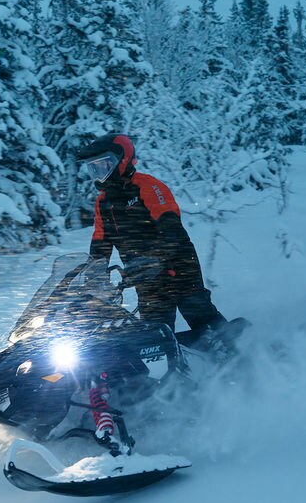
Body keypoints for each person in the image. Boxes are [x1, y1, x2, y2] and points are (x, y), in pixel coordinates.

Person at [76, 133, 235, 350]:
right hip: (144, 275)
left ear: (122, 160)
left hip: (177, 265)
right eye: (94, 168)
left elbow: (172, 228)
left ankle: (238, 350)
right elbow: (100, 243)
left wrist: (155, 258)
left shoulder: (148, 186)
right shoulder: (103, 203)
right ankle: (178, 368)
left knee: (196, 310)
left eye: (104, 165)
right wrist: (92, 276)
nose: (99, 173)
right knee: (154, 334)